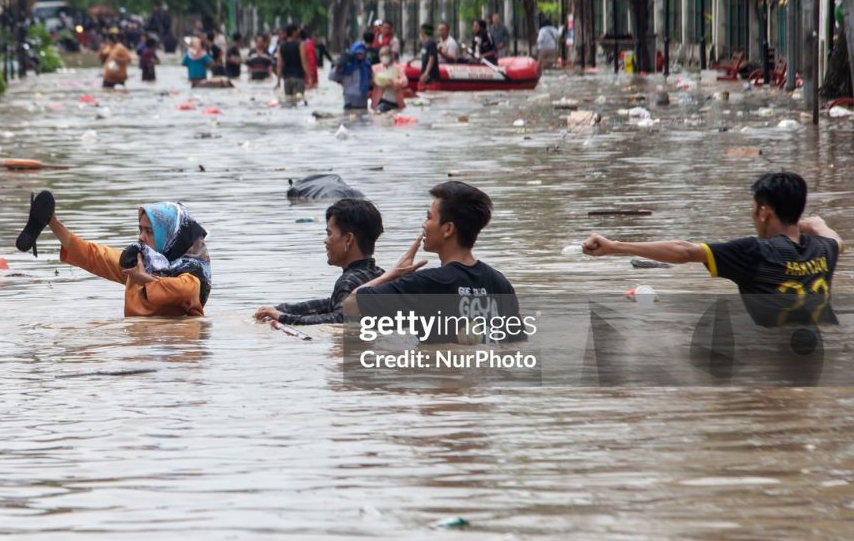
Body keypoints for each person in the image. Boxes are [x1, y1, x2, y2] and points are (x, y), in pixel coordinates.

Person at [582, 172, 843, 326]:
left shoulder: (754, 252)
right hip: (818, 343)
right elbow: (829, 232)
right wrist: (808, 224)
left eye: (753, 209)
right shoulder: (825, 250)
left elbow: (684, 251)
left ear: (764, 212)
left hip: (776, 354)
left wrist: (615, 247)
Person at [343, 181, 524, 343]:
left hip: (445, 378)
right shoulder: (500, 283)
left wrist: (393, 274)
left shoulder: (426, 284)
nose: (424, 224)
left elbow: (352, 304)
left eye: (429, 217)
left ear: (448, 229)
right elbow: (516, 344)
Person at [15, 191, 211, 317]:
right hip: (141, 350)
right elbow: (94, 255)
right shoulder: (138, 261)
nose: (141, 237)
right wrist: (52, 223)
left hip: (177, 351)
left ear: (170, 235)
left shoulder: (192, 272)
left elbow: (185, 289)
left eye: (149, 232)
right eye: (140, 230)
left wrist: (145, 280)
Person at [255, 198, 385, 325]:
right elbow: (330, 304)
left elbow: (340, 320)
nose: (326, 241)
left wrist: (283, 317)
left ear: (348, 240)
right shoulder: (380, 275)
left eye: (329, 233)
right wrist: (284, 309)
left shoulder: (349, 281)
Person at [341, 30, 376, 111]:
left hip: (362, 101)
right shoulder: (346, 66)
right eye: (357, 53)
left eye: (361, 53)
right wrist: (338, 66)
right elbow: (333, 77)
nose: (359, 56)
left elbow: (371, 78)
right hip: (349, 102)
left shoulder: (366, 65)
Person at [371, 46, 408, 112]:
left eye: (386, 54)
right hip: (381, 101)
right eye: (381, 55)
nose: (384, 57)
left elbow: (405, 81)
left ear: (391, 55)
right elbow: (372, 81)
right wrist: (380, 82)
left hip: (396, 102)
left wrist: (394, 83)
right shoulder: (375, 68)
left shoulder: (399, 68)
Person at [276, 24, 306, 102]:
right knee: (299, 101)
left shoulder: (281, 46)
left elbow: (279, 65)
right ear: (293, 32)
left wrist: (278, 81)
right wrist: (310, 77)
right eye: (297, 31)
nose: (298, 33)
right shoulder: (300, 45)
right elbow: (304, 62)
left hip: (287, 79)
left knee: (289, 101)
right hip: (298, 78)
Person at [415, 23, 440, 89]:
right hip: (425, 75)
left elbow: (431, 59)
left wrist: (426, 73)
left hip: (431, 76)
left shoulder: (431, 43)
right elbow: (424, 57)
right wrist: (413, 59)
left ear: (423, 31)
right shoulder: (425, 44)